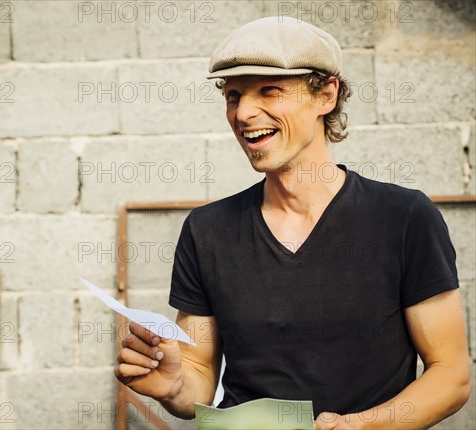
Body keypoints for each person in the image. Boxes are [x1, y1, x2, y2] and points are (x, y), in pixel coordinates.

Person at [114, 16, 471, 429]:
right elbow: (197, 373)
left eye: (270, 91)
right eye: (233, 96)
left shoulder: (404, 217)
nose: (244, 112)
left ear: (327, 95)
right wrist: (175, 385)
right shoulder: (207, 230)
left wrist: (365, 425)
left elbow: (452, 375)